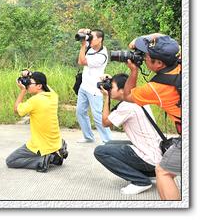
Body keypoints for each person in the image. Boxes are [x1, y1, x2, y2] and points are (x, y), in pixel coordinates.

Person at [122, 33, 181, 200]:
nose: (145, 59)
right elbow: (165, 36)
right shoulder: (182, 60)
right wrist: (140, 41)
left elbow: (127, 96)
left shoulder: (158, 87)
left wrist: (133, 71)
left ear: (159, 63)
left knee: (163, 172)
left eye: (147, 56)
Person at [94, 73, 163, 195]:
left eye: (112, 87)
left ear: (122, 90)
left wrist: (106, 98)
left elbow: (105, 123)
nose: (109, 89)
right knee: (109, 144)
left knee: (100, 151)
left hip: (149, 159)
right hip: (157, 157)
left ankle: (140, 181)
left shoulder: (127, 106)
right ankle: (147, 174)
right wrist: (113, 80)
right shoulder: (138, 98)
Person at [6, 71, 68, 173]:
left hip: (40, 145)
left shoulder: (34, 101)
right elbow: (44, 82)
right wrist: (31, 74)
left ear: (39, 86)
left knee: (11, 160)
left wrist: (22, 91)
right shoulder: (53, 96)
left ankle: (42, 160)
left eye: (29, 83)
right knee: (51, 142)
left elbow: (16, 110)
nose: (27, 85)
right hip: (54, 141)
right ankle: (58, 148)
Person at [75, 28, 112, 143]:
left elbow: (81, 62)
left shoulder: (102, 55)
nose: (90, 39)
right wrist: (84, 32)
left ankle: (108, 141)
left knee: (97, 117)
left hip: (95, 90)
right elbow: (80, 34)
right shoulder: (91, 47)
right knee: (80, 112)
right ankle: (88, 137)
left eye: (92, 37)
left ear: (100, 39)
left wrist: (83, 45)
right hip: (84, 86)